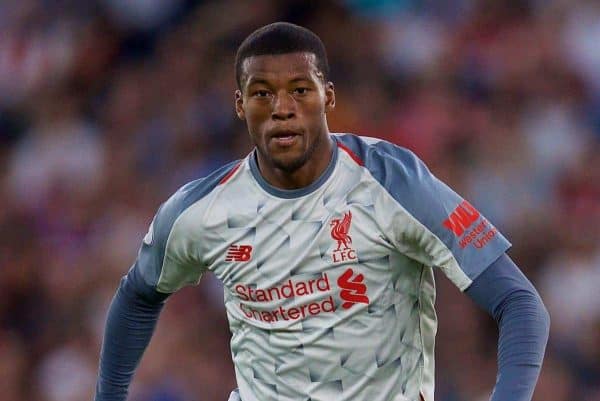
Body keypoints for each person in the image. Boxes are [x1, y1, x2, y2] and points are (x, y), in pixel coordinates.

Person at [95, 22, 550, 401]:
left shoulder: (392, 182)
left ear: (328, 97)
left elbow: (520, 303)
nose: (283, 110)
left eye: (299, 90)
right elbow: (137, 296)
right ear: (239, 106)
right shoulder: (201, 211)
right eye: (262, 94)